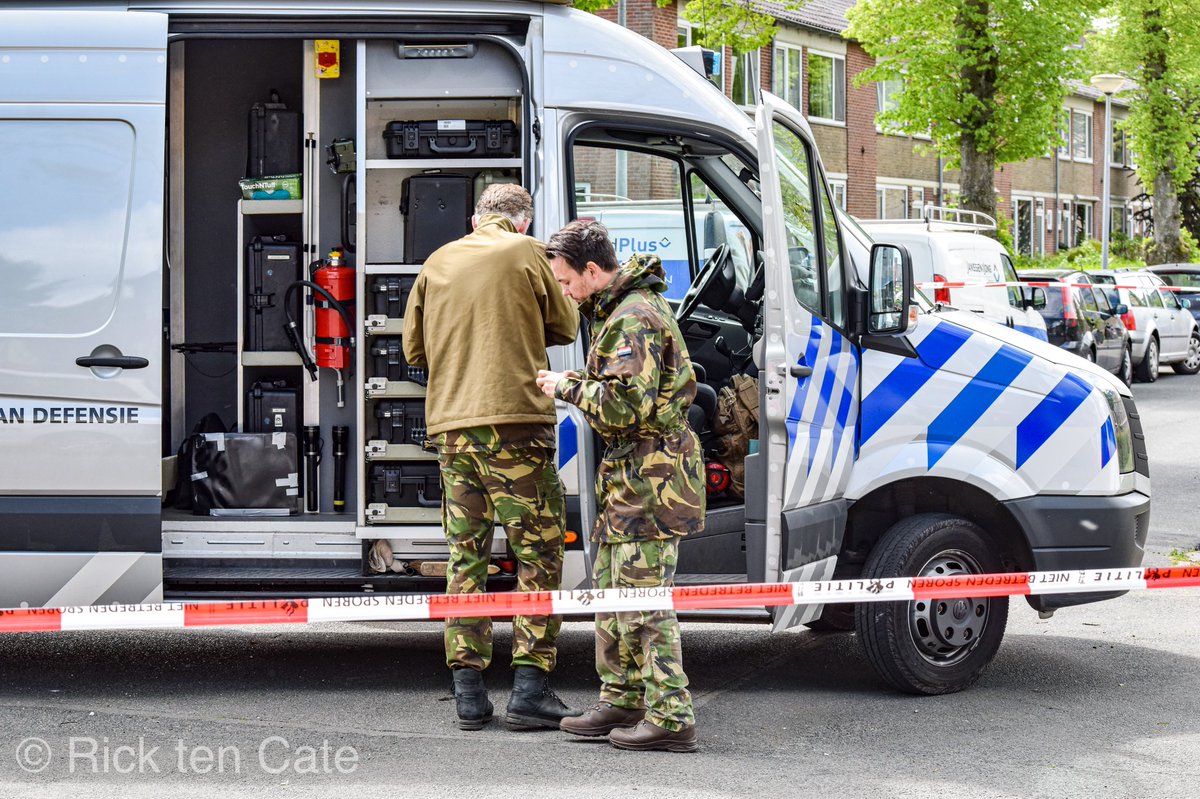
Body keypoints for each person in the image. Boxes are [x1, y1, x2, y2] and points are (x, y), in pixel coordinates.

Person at [403, 184, 581, 731]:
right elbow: (565, 326)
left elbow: (414, 351)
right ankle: (529, 689)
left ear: (474, 218)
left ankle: (469, 694)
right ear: (521, 224)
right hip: (517, 427)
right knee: (538, 555)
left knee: (467, 558)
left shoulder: (436, 262)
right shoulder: (527, 254)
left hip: (453, 432)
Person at [536, 220, 704, 753]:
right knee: (612, 594)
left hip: (652, 482)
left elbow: (626, 406)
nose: (564, 291)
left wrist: (567, 386)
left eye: (566, 281)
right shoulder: (619, 311)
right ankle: (624, 697)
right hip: (633, 478)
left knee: (644, 602)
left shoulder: (632, 320)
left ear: (592, 270)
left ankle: (672, 717)